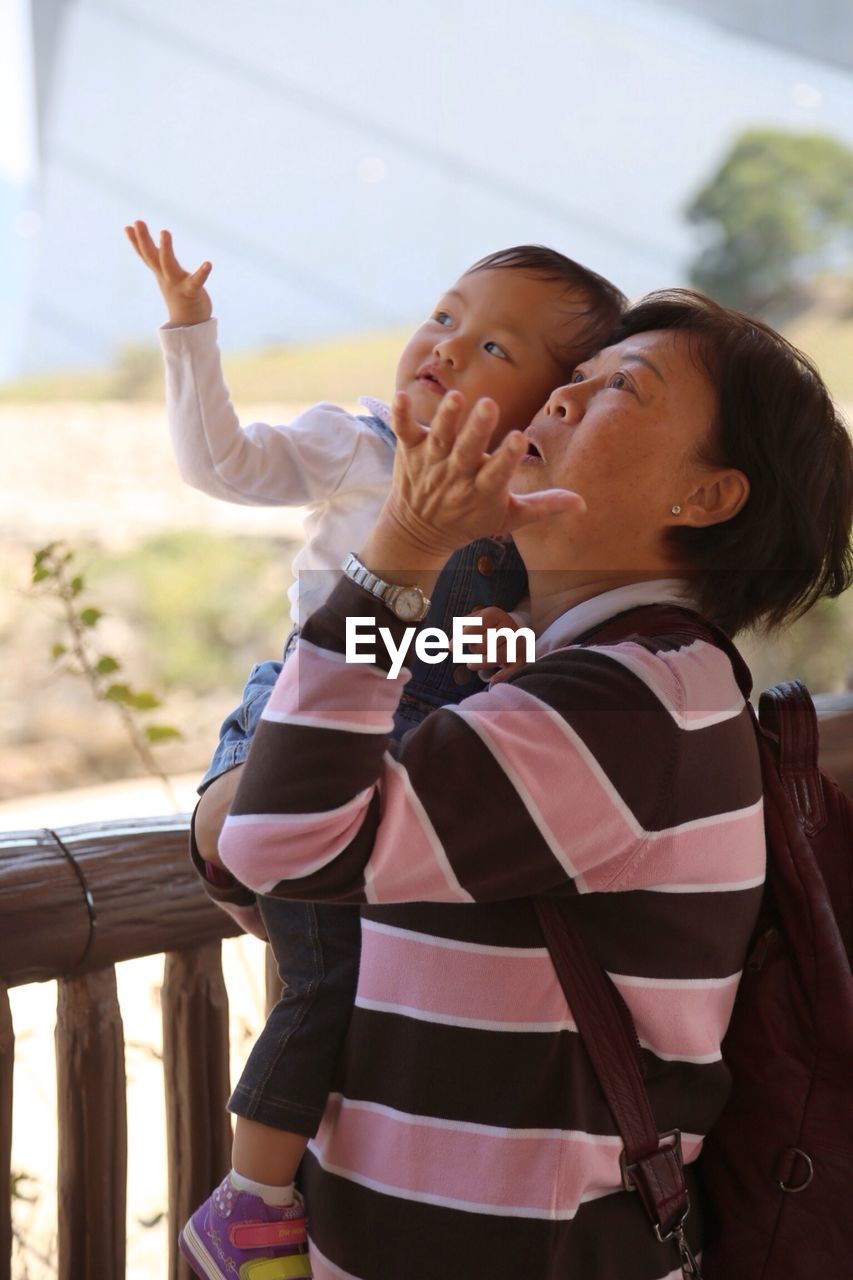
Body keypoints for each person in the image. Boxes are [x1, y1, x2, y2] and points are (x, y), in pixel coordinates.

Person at [200, 289, 852, 1279]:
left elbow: (270, 841)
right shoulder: (564, 672)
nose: (555, 401)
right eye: (570, 380)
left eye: (617, 389)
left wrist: (399, 551)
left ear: (707, 496)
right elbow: (261, 838)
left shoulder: (631, 702)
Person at [124, 221, 626, 1278]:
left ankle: (323, 1173)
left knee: (387, 977)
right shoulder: (360, 444)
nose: (446, 345)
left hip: (412, 734)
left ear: (551, 402)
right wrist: (190, 328)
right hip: (305, 718)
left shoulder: (527, 513)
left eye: (495, 346)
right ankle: (251, 1200)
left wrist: (497, 646)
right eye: (444, 316)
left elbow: (493, 655)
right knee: (328, 974)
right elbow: (224, 465)